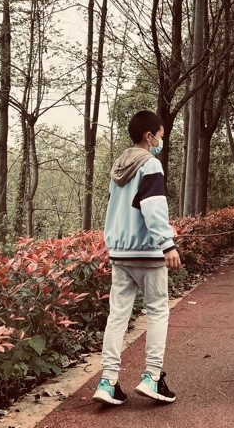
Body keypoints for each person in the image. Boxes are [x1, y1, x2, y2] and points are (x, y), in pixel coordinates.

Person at [92, 110, 181, 406]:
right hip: (147, 252)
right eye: (161, 136)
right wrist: (167, 243)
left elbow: (124, 209)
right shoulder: (150, 164)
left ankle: (108, 381)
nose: (161, 142)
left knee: (117, 316)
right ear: (149, 136)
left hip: (120, 252)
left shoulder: (119, 166)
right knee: (157, 311)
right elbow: (153, 207)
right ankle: (152, 377)